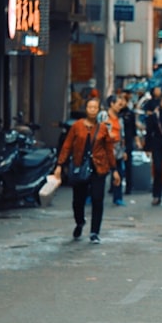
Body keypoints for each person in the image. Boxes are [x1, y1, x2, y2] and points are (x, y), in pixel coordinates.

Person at [55, 97, 120, 244]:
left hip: (99, 168)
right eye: (89, 107)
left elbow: (109, 150)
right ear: (86, 109)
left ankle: (94, 232)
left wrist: (114, 169)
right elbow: (67, 146)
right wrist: (59, 165)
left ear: (98, 110)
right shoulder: (77, 127)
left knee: (98, 200)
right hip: (80, 167)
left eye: (95, 108)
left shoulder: (103, 128)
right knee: (78, 201)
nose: (92, 110)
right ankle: (80, 222)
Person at [103, 95, 128, 206]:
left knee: (119, 174)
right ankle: (92, 196)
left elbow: (122, 135)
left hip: (117, 150)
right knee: (100, 174)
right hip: (105, 149)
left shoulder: (119, 118)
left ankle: (118, 198)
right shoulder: (104, 116)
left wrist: (124, 151)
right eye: (118, 104)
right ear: (112, 104)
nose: (120, 107)